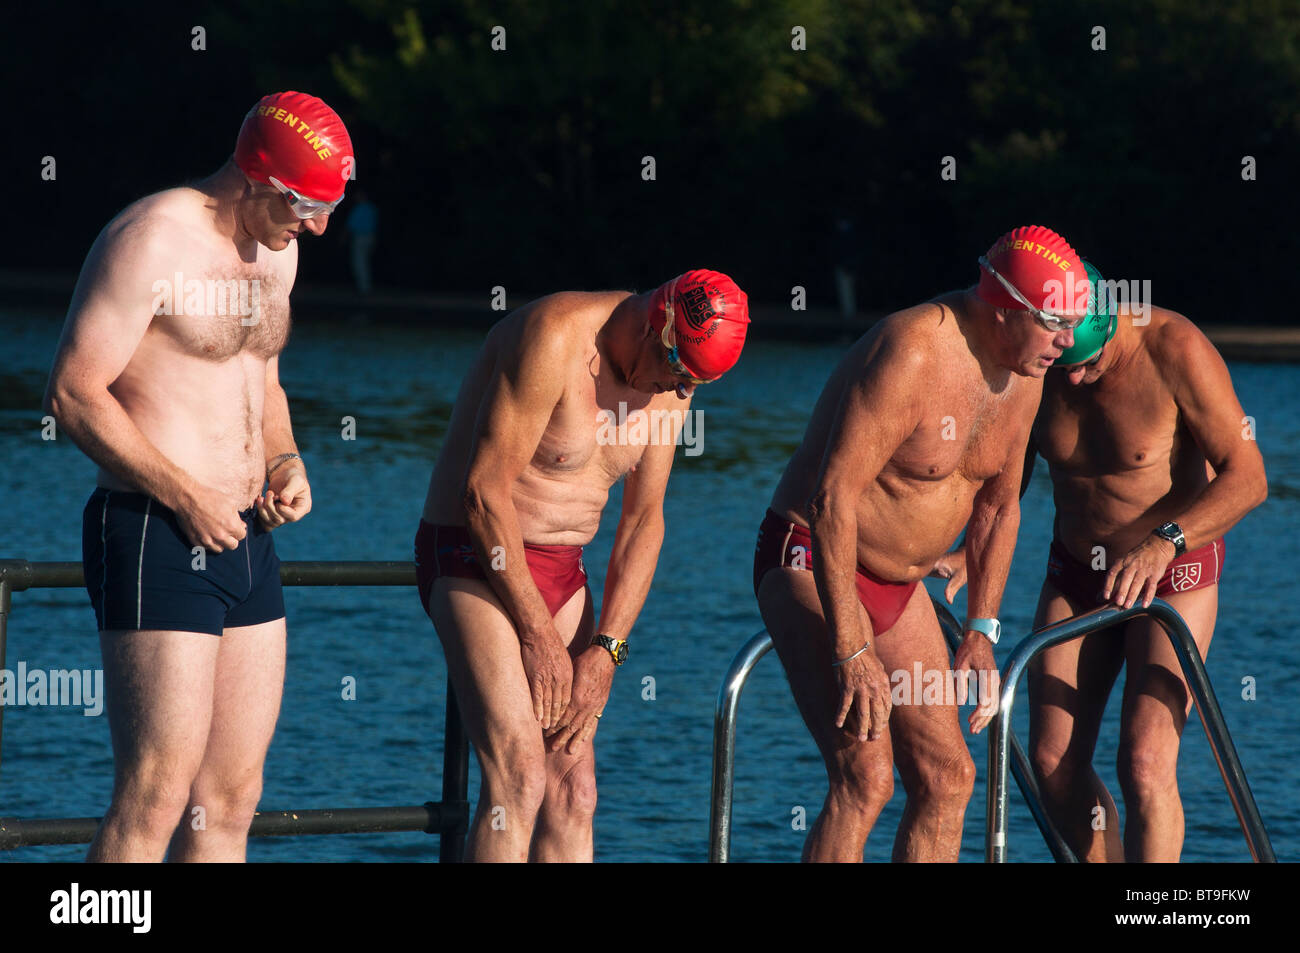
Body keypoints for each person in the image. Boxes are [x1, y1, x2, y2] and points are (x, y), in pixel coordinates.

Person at [43, 91, 352, 862]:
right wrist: (186, 493)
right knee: (154, 793)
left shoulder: (278, 248)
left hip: (247, 536)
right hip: (156, 529)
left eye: (329, 206)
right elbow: (72, 393)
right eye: (305, 204)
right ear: (254, 175)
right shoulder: (149, 241)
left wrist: (285, 459)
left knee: (231, 798)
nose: (317, 225)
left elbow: (264, 379)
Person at [756, 225, 1087, 862]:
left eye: (1073, 323)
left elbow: (999, 505)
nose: (1067, 342)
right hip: (810, 556)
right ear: (1003, 308)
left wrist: (981, 630)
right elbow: (831, 501)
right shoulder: (911, 351)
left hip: (899, 587)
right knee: (865, 779)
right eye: (1054, 323)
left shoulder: (1028, 370)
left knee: (948, 778)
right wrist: (853, 646)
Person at [417, 270, 749, 862]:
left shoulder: (674, 387)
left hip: (563, 569)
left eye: (692, 383)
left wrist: (607, 649)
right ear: (659, 326)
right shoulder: (555, 338)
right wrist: (538, 635)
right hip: (476, 554)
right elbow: (482, 493)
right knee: (518, 777)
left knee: (575, 792)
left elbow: (644, 523)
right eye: (677, 373)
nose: (678, 391)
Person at [942, 260, 1267, 861]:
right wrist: (971, 548)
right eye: (1062, 365)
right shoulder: (1042, 362)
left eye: (1087, 363)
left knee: (1144, 761)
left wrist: (1166, 539)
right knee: (1051, 763)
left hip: (1173, 575)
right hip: (1078, 572)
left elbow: (1249, 478)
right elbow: (1012, 471)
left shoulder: (1176, 347)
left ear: (1107, 327)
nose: (1076, 379)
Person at [344, 190, 378, 294]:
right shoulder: (372, 208)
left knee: (359, 262)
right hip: (370, 237)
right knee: (364, 261)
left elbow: (350, 226)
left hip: (361, 237)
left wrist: (344, 237)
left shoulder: (359, 208)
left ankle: (364, 288)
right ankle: (364, 286)